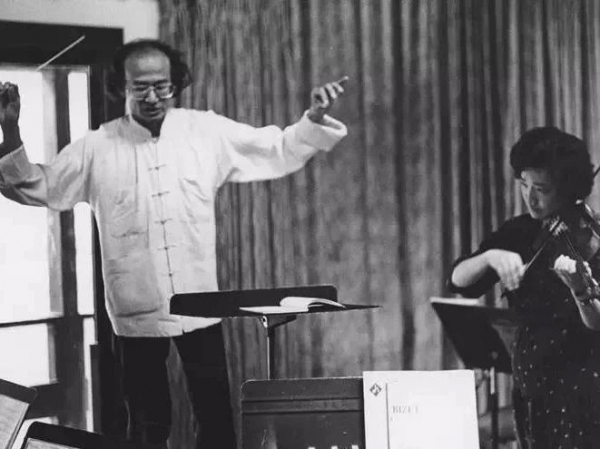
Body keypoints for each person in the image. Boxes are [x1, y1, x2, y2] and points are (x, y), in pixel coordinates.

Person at [0, 39, 348, 449]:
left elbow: (276, 148)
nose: (152, 97)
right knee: (148, 423)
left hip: (199, 302)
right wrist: (11, 130)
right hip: (135, 309)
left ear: (175, 84)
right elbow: (40, 185)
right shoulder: (97, 147)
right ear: (122, 87)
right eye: (140, 87)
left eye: (162, 86)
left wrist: (313, 118)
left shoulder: (206, 130)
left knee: (216, 418)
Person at [448, 126, 600, 448]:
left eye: (541, 189)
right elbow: (458, 281)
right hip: (532, 392)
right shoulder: (520, 232)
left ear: (569, 189)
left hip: (585, 394)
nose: (530, 198)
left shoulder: (592, 239)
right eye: (523, 184)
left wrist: (580, 290)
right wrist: (489, 257)